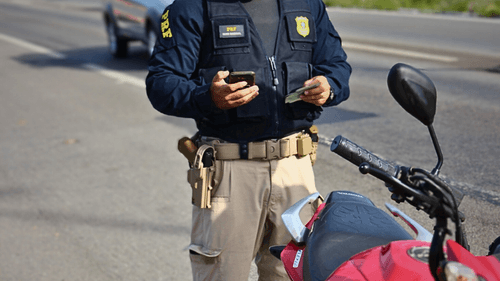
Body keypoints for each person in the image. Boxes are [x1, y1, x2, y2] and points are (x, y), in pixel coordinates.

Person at [146, 0, 351, 278]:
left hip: (295, 169)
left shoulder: (307, 4)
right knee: (223, 273)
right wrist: (207, 97)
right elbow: (161, 83)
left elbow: (337, 66)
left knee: (291, 274)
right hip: (229, 172)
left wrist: (330, 86)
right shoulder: (192, 7)